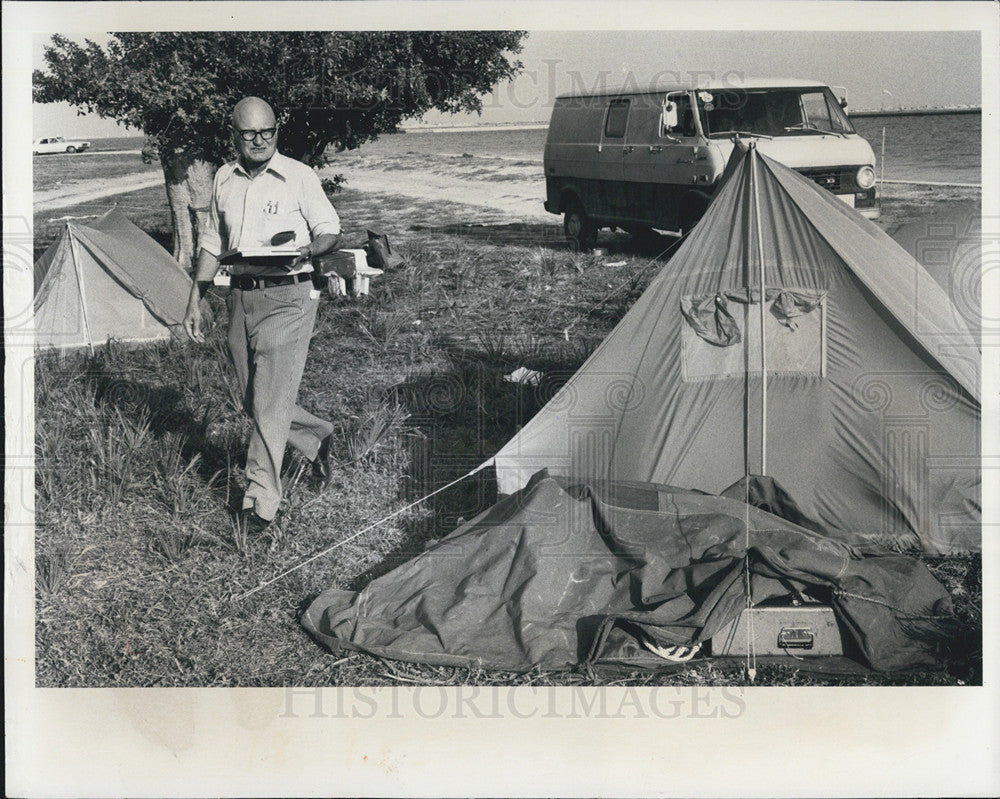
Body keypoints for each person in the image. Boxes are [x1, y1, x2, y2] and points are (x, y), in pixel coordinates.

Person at [183, 96, 341, 534]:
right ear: (232, 135)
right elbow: (212, 243)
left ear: (276, 131)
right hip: (240, 298)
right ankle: (316, 436)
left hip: (290, 296)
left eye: (267, 131)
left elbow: (330, 228)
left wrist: (308, 248)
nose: (259, 140)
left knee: (270, 404)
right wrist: (194, 300)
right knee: (257, 398)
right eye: (249, 133)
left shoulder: (298, 175)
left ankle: (260, 502)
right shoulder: (223, 178)